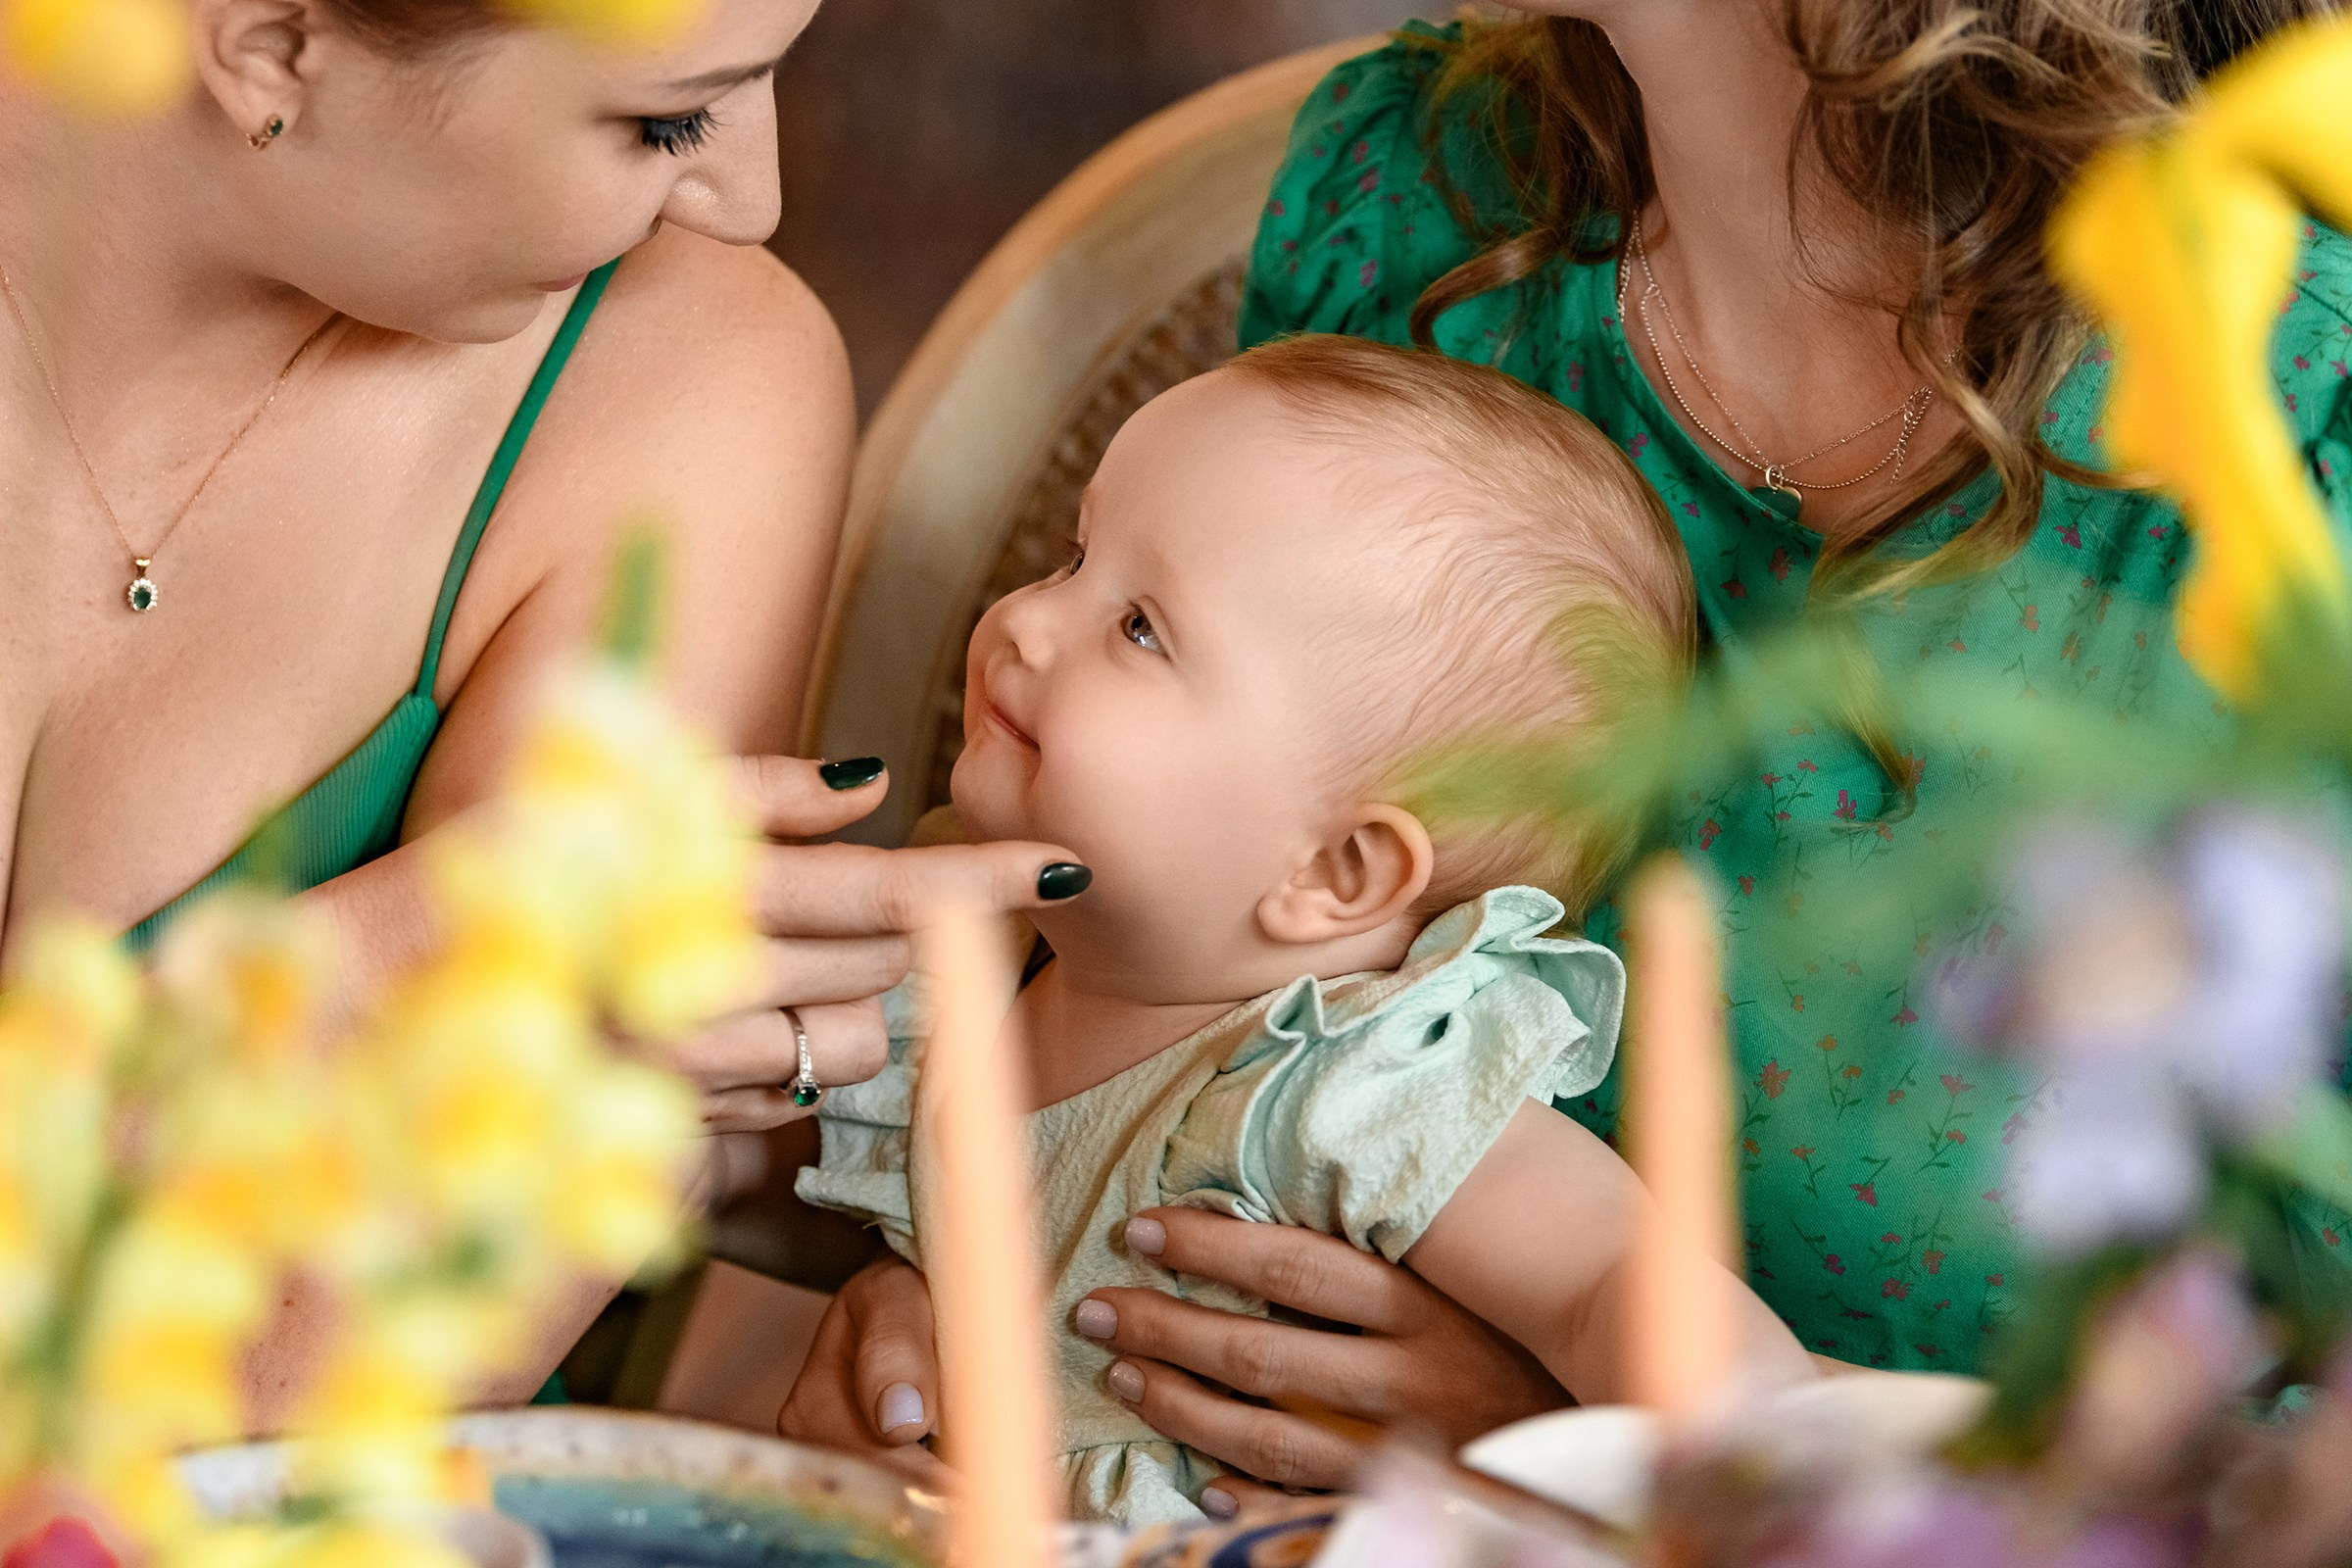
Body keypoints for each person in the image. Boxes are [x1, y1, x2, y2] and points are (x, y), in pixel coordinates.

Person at [786, 0, 2352, 1513]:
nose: (1038, 627)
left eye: (1130, 622)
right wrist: (938, 1271)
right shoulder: (1413, 206)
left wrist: (1590, 1441)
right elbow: (1168, 972)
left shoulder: (2300, 449)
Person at [0, 0, 1089, 1424]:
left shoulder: (680, 379)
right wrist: (361, 958)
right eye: (665, 119)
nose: (743, 199)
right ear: (270, 45)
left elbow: (319, 1399)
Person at [795, 334, 1806, 1525]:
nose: (1024, 621)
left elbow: (1604, 1280)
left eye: (1140, 628)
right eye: (1074, 557)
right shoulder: (968, 951)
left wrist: (1769, 1485)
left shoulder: (1344, 1079)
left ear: (1336, 871)